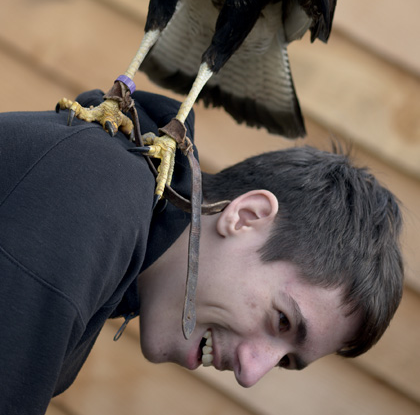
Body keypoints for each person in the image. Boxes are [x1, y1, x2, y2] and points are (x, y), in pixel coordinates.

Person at [0, 88, 403, 413]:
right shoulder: (95, 198)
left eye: (284, 361)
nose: (250, 373)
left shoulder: (115, 210)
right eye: (281, 320)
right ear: (246, 217)